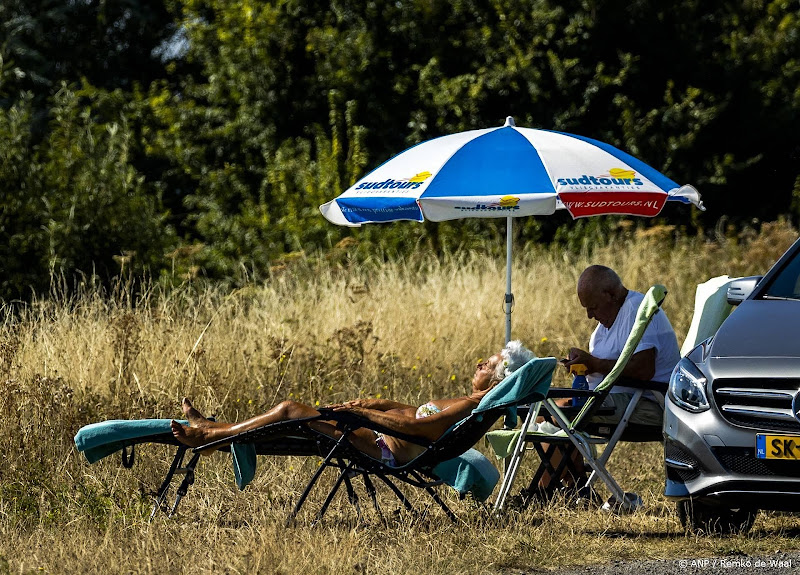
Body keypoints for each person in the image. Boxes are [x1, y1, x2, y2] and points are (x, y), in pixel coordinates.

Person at [171, 340, 535, 466]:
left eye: (487, 365)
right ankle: (212, 433)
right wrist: (381, 404)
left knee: (288, 412)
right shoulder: (466, 402)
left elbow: (413, 428)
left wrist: (361, 413)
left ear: (500, 379)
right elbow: (414, 413)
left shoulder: (470, 407)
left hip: (380, 448)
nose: (478, 365)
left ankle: (209, 437)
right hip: (375, 434)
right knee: (292, 425)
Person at [537, 265, 680, 496]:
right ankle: (577, 488)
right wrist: (583, 365)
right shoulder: (604, 325)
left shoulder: (636, 310)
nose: (589, 315)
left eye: (593, 307)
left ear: (611, 295)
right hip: (614, 399)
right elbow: (607, 365)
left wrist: (594, 364)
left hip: (648, 401)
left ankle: (540, 492)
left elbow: (644, 369)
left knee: (561, 411)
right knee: (544, 410)